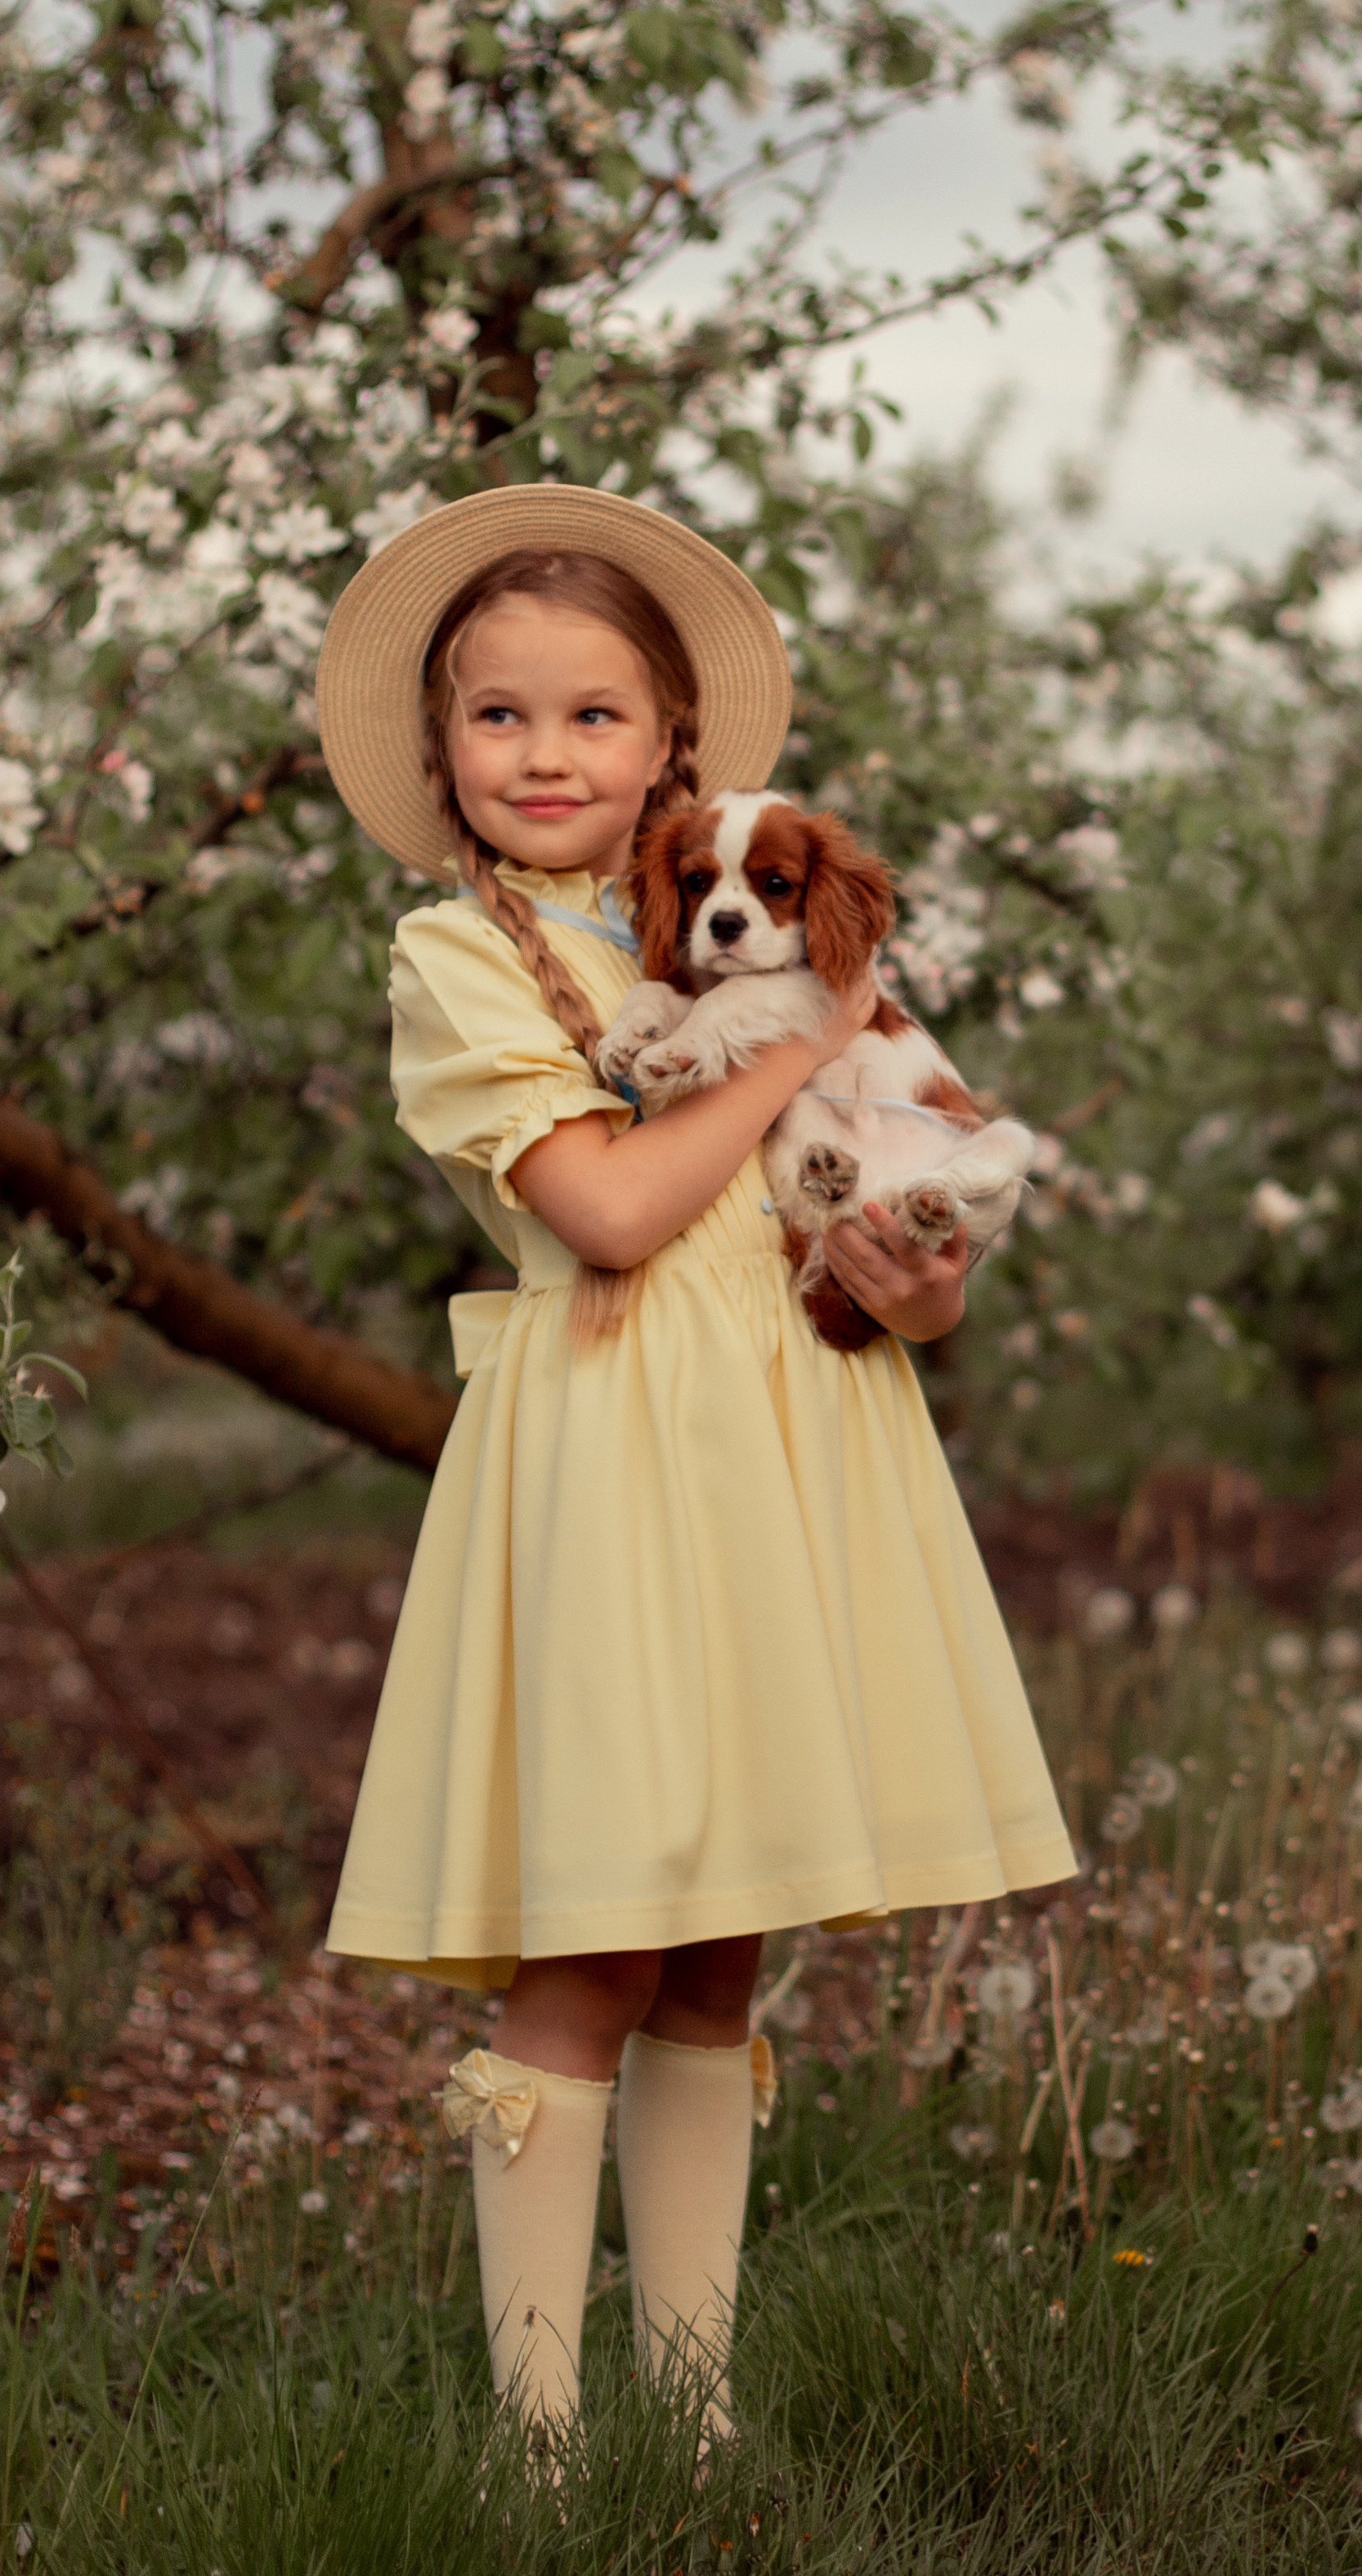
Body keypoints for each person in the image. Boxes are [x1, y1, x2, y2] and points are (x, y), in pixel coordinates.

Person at [316, 484, 1074, 2453]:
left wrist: (914, 1275)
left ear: (670, 742)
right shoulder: (458, 956)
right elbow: (611, 1207)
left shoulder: (756, 904)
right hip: (613, 1462)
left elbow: (912, 1242)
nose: (543, 751)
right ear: (440, 749)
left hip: (793, 1443)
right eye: (497, 714)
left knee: (720, 1939)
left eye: (591, 714)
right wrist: (796, 1038)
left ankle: (693, 2408)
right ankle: (535, 2447)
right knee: (595, 1923)